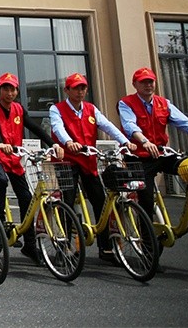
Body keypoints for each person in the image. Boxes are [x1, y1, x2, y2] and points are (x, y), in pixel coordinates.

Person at [49, 72, 134, 264]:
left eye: (83, 88)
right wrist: (68, 142)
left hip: (88, 160)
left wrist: (125, 141)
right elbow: (57, 127)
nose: (80, 92)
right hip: (67, 161)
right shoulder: (57, 109)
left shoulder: (91, 109)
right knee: (67, 201)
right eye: (75, 88)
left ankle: (106, 248)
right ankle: (63, 248)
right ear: (67, 90)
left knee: (100, 201)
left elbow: (108, 126)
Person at [0, 72, 61, 265]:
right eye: (6, 89)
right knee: (0, 183)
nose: (10, 93)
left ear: (17, 91)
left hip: (13, 159)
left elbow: (35, 127)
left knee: (27, 199)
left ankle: (30, 245)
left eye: (13, 89)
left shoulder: (18, 109)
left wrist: (53, 144)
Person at [117, 67, 188, 225]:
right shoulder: (126, 103)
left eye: (151, 81)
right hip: (139, 158)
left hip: (162, 154)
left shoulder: (164, 103)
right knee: (146, 200)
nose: (148, 85)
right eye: (143, 82)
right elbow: (129, 125)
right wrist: (144, 141)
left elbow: (183, 121)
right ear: (135, 84)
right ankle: (147, 238)